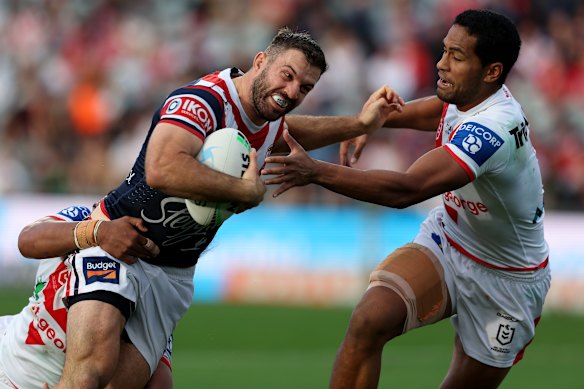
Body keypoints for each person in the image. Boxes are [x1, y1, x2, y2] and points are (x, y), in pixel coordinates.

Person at [55, 27, 403, 388]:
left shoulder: (268, 119)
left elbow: (295, 131)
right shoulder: (203, 101)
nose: (292, 92)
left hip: (173, 275)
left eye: (305, 87)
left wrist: (360, 125)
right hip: (118, 242)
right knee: (90, 373)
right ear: (260, 62)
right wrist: (243, 191)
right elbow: (162, 168)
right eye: (288, 75)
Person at [262, 9, 550, 389]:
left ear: (492, 71)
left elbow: (407, 190)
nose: (441, 64)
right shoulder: (474, 95)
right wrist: (374, 120)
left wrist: (315, 171)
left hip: (509, 279)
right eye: (445, 50)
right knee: (370, 318)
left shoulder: (494, 130)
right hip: (450, 241)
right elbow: (440, 109)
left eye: (456, 57)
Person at [0, 205, 172, 388]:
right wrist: (97, 232)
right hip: (7, 345)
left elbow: (158, 378)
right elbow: (27, 240)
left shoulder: (153, 287)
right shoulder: (85, 217)